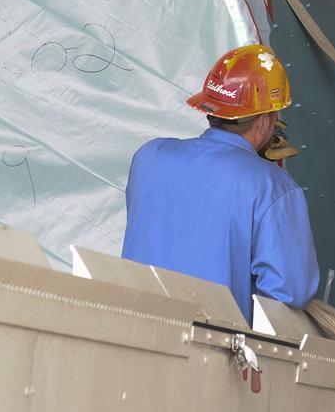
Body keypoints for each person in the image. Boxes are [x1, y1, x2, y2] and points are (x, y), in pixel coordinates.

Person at [121, 44, 320, 325]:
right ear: (265, 121)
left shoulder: (149, 158)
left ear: (211, 109)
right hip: (209, 350)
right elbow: (290, 291)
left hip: (132, 333)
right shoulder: (273, 187)